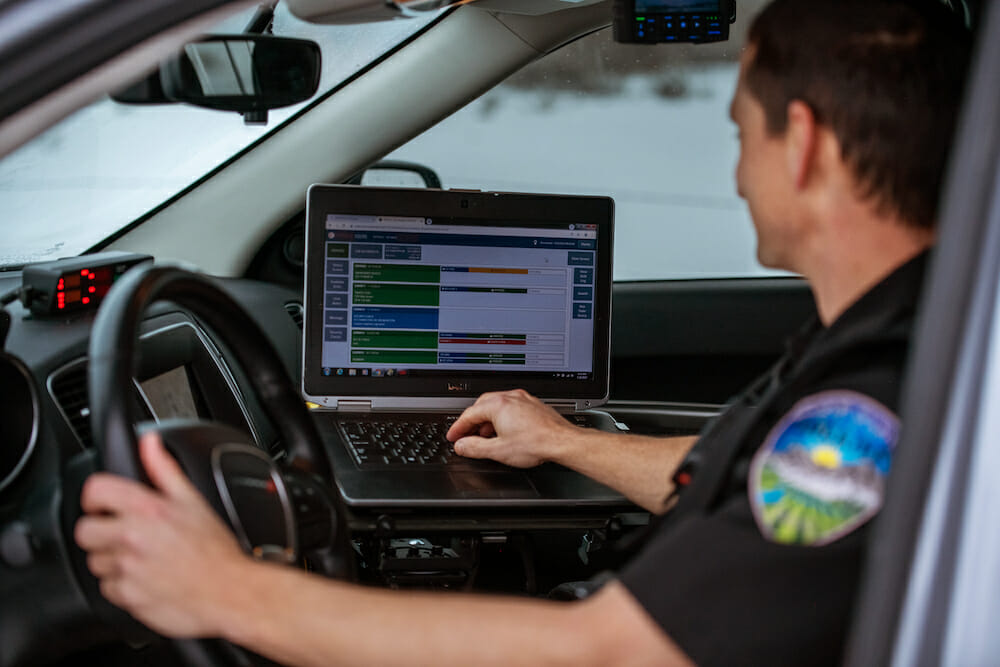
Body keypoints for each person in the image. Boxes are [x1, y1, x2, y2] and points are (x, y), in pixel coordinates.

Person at [74, 0, 972, 664]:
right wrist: (564, 439)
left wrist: (227, 589)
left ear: (804, 144)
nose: (737, 175)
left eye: (741, 135)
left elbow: (607, 651)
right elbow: (725, 475)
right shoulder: (903, 337)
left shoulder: (874, 402)